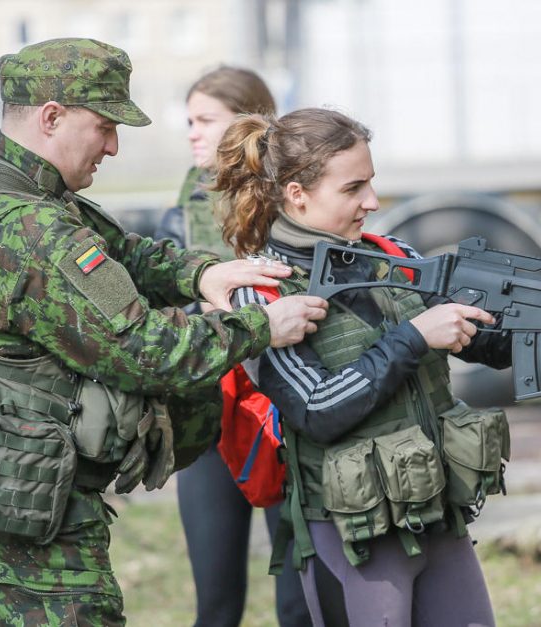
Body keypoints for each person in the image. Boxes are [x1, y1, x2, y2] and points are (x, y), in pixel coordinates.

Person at [0, 38, 328, 626]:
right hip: (24, 522)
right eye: (104, 125)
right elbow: (145, 351)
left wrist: (203, 271)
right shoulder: (33, 228)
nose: (113, 145)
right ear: (51, 116)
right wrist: (262, 325)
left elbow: (119, 252)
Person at [212, 107, 541, 626]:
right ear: (297, 194)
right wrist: (415, 338)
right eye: (353, 188)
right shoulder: (260, 292)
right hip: (354, 538)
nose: (372, 202)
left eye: (371, 183)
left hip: (437, 518)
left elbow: (483, 339)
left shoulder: (392, 255)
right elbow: (316, 409)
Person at [155, 66, 310, 627]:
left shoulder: (298, 199)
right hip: (213, 411)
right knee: (215, 605)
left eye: (206, 121)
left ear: (248, 123)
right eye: (189, 121)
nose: (193, 134)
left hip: (285, 410)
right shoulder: (189, 196)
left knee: (300, 603)